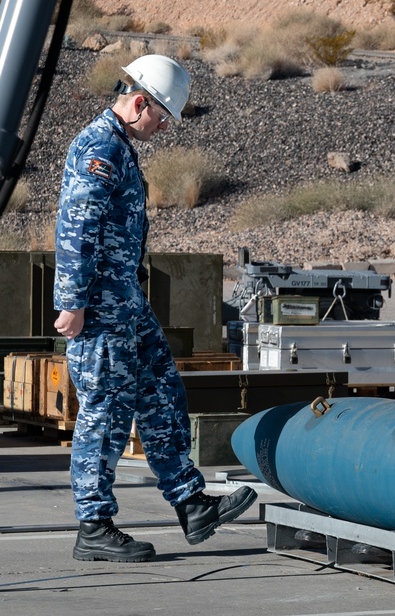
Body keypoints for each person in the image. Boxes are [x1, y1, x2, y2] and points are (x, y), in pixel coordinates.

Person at [53, 55, 257, 563]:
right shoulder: (100, 148)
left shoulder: (120, 146)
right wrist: (73, 303)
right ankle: (94, 525)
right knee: (106, 411)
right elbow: (77, 230)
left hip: (125, 302)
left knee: (162, 391)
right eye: (161, 117)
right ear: (139, 101)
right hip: (99, 306)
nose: (163, 128)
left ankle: (191, 504)